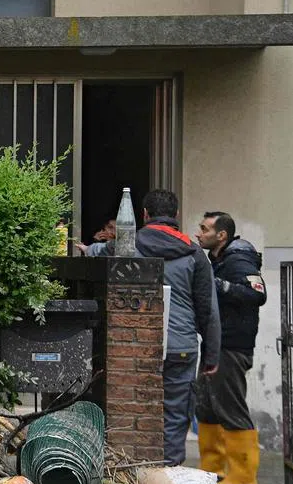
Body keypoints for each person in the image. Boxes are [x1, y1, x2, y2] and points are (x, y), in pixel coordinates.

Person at [78, 189, 220, 466]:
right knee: (175, 415)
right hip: (181, 347)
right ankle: (170, 472)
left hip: (134, 346)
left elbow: (100, 253)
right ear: (176, 215)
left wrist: (87, 249)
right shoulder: (194, 253)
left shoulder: (128, 244)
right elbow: (208, 309)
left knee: (133, 408)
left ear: (144, 214)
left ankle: (137, 473)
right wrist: (212, 355)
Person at [194, 211, 266, 484]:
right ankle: (214, 469)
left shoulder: (238, 260)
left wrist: (218, 286)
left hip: (232, 347)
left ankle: (243, 475)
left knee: (231, 407)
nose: (199, 233)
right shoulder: (219, 260)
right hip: (217, 344)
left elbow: (256, 294)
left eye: (204, 229)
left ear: (221, 235)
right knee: (207, 407)